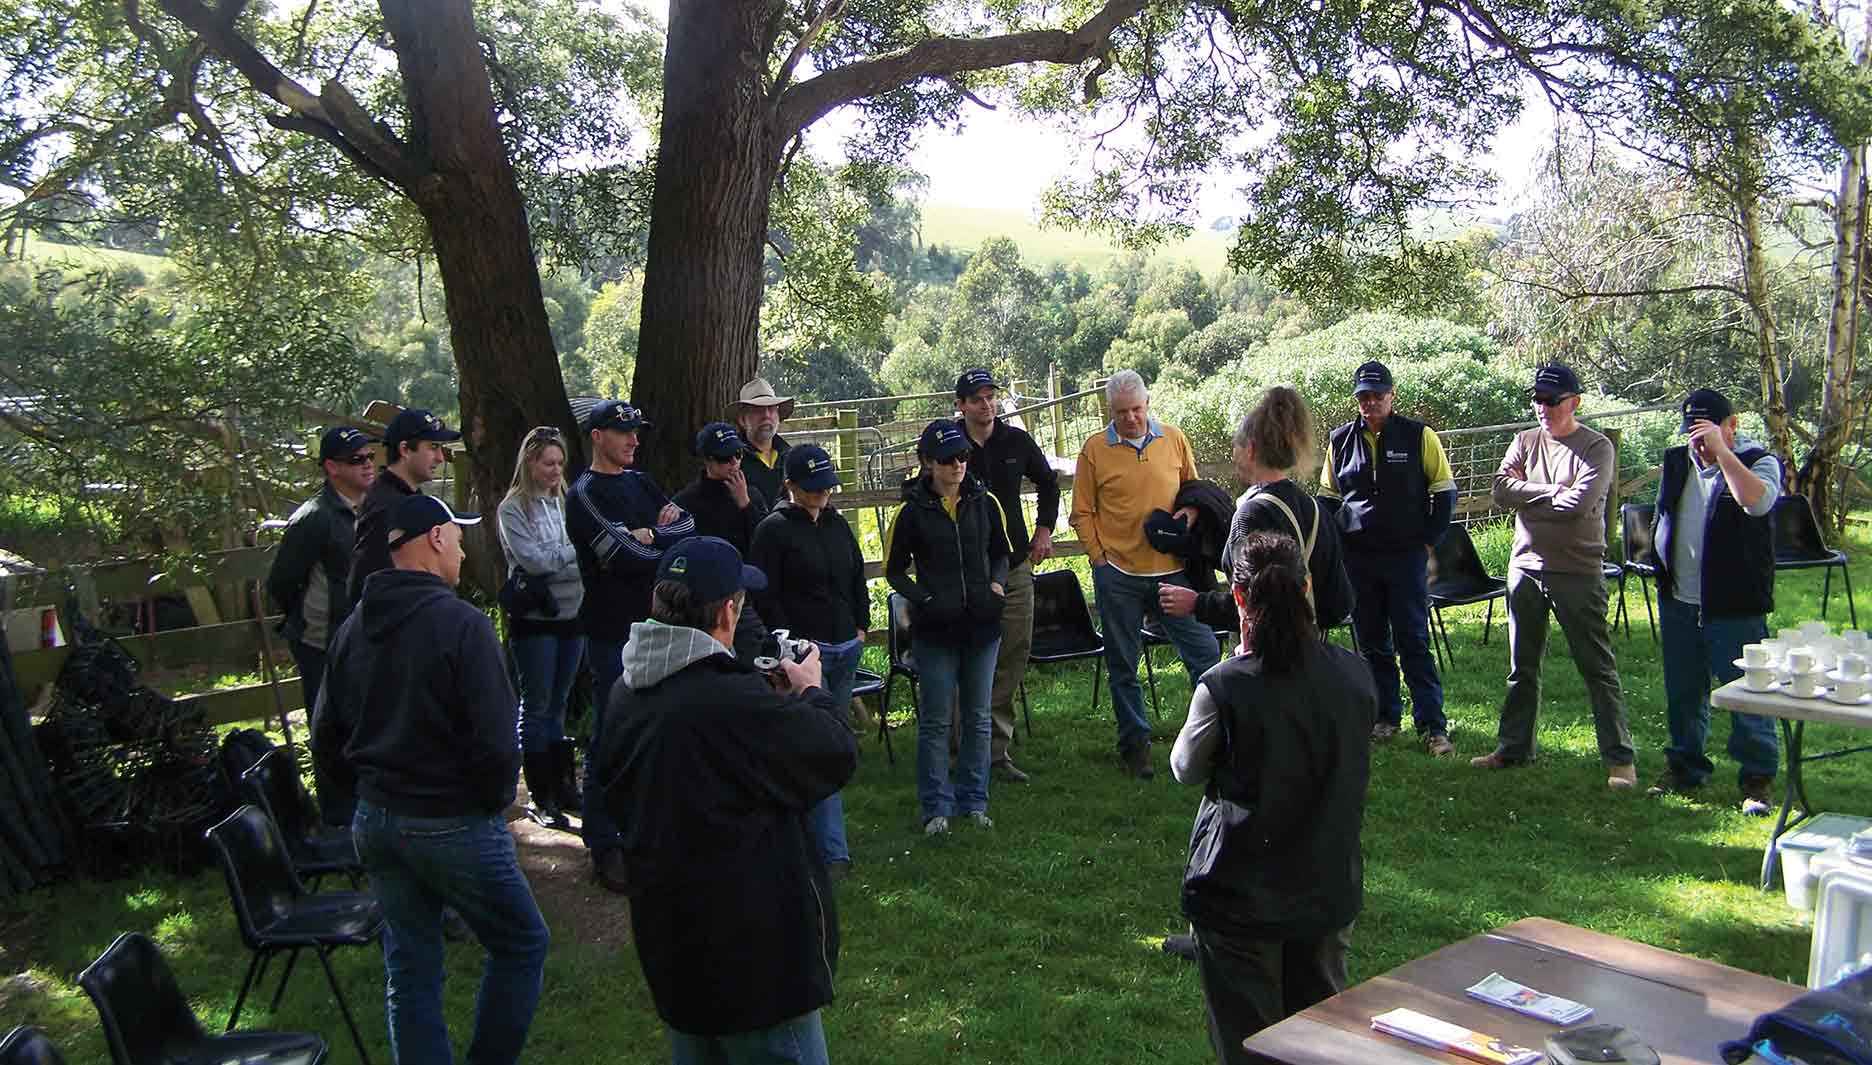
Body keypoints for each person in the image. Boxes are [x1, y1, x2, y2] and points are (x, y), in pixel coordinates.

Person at [593, 536, 856, 1065]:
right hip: (755, 969)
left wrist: (768, 701)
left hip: (674, 953)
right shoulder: (726, 703)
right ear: (727, 613)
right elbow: (833, 754)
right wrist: (809, 691)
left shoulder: (627, 692)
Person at [311, 493, 549, 1065]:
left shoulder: (352, 629)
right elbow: (497, 742)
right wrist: (490, 808)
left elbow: (325, 732)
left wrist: (357, 804)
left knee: (410, 967)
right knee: (522, 942)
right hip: (452, 821)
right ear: (435, 539)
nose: (465, 547)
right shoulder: (462, 624)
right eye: (458, 534)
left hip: (377, 820)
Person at [1171, 531, 1376, 1060]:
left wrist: (1234, 665)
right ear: (1307, 588)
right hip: (1326, 884)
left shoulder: (1223, 686)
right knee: (1321, 1043)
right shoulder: (1355, 672)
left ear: (1239, 598)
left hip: (1240, 895)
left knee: (1250, 1047)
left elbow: (1184, 768)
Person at [1473, 364, 1637, 788]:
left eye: (1552, 400)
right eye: (1538, 399)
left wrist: (1528, 493)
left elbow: (1579, 506)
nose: (1542, 407)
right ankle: (1513, 748)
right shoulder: (1525, 440)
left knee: (1596, 667)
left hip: (1577, 571)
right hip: (1524, 567)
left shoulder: (1596, 447)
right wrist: (1550, 491)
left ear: (1575, 402)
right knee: (1521, 667)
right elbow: (1500, 490)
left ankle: (1620, 761)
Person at [565, 399, 695, 893]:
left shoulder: (640, 482)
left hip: (658, 626)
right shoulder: (584, 495)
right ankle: (603, 842)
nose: (634, 441)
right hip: (611, 632)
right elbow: (622, 555)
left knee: (661, 725)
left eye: (636, 432)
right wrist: (650, 540)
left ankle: (653, 831)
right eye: (624, 432)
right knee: (611, 731)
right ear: (597, 435)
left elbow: (685, 530)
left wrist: (650, 534)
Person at [1069, 369, 1220, 779]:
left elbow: (1194, 488)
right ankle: (1134, 745)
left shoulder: (1173, 438)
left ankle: (1213, 738)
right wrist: (1099, 559)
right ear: (1110, 411)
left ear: (1147, 404)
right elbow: (1080, 512)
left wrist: (1190, 512)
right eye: (1122, 412)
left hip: (1173, 572)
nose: (1131, 418)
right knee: (1123, 664)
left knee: (1205, 654)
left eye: (1136, 409)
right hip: (1118, 573)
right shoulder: (1094, 450)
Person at [1647, 387, 1783, 813]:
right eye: (1693, 430)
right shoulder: (1675, 461)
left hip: (1735, 604)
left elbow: (1756, 503)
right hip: (1680, 601)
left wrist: (1723, 454)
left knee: (1747, 694)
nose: (1699, 441)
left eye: (1708, 430)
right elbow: (1663, 514)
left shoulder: (1759, 461)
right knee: (1684, 693)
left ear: (1731, 426)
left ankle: (1756, 779)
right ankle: (1686, 766)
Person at [1320, 361, 1459, 755]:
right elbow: (1329, 498)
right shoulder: (1340, 440)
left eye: (1378, 394)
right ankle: (1385, 717)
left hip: (1406, 558)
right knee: (1372, 643)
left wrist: (1429, 542)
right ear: (1357, 399)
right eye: (1364, 395)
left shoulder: (1419, 435)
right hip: (1359, 560)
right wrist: (1334, 548)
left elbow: (1444, 490)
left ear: (1392, 395)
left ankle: (1433, 727)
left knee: (1413, 639)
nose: (1371, 402)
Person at [748, 444, 869, 877]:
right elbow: (764, 594)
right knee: (806, 750)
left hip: (843, 646)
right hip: (803, 657)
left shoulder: (837, 525)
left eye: (827, 488)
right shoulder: (773, 531)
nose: (823, 496)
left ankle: (826, 847)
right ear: (791, 486)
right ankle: (824, 851)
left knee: (831, 747)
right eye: (814, 489)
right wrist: (794, 646)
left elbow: (856, 573)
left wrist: (861, 623)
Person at [885, 420, 1010, 835]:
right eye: (947, 459)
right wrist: (926, 600)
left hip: (982, 629)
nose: (958, 464)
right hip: (935, 633)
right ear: (927, 463)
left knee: (978, 716)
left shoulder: (985, 500)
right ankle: (936, 806)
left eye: (962, 456)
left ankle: (974, 801)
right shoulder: (910, 512)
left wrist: (995, 584)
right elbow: (894, 571)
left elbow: (1001, 553)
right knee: (937, 721)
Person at [1160, 387, 1353, 637]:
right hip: (1311, 653)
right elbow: (1340, 604)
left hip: (1265, 656)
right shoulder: (1316, 509)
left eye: (1236, 446)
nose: (1234, 454)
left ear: (1250, 449)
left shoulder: (1250, 516)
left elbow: (1249, 604)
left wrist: (1196, 603)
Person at [265, 425, 375, 826]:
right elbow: (281, 583)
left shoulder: (372, 507)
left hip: (365, 640)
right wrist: (312, 625)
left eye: (369, 457)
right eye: (356, 460)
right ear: (331, 467)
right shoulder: (313, 519)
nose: (367, 465)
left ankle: (368, 815)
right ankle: (337, 820)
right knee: (330, 731)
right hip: (321, 644)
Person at [956, 367, 1062, 783]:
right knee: (964, 657)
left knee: (1012, 656)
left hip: (1016, 564)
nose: (987, 405)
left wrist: (1044, 529)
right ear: (961, 404)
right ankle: (959, 749)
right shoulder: (949, 443)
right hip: (965, 571)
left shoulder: (1016, 440)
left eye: (991, 397)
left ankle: (995, 753)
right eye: (977, 398)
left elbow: (1049, 484)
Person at [498, 426, 586, 831]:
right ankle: (540, 793)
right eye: (548, 463)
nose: (555, 470)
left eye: (559, 463)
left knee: (560, 702)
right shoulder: (513, 509)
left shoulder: (567, 501)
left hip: (574, 612)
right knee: (536, 705)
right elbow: (534, 561)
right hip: (535, 619)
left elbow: (563, 555)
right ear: (530, 463)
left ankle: (563, 785)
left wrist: (563, 555)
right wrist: (573, 550)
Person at [674, 421, 772, 663]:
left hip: (746, 598)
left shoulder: (752, 494)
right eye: (724, 458)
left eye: (738, 455)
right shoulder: (687, 501)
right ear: (707, 460)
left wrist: (746, 506)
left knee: (755, 661)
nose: (734, 463)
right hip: (703, 604)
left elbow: (766, 544)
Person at [347, 407, 458, 609]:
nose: (441, 458)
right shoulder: (387, 507)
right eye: (433, 447)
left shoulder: (405, 496)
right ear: (405, 449)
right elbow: (371, 581)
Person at [734, 377, 796, 509]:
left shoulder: (791, 456)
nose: (766, 415)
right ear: (742, 419)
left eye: (771, 409)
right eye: (758, 409)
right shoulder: (731, 460)